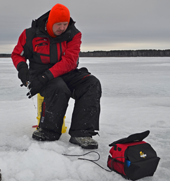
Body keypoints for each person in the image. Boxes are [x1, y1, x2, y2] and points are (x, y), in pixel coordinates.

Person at [11, 4, 102, 149]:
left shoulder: (74, 34)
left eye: (65, 24)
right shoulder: (30, 34)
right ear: (50, 23)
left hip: (65, 72)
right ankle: (48, 131)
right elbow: (17, 54)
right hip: (40, 74)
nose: (62, 28)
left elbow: (70, 61)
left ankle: (82, 133)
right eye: (58, 24)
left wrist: (46, 77)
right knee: (58, 87)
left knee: (91, 83)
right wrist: (22, 69)